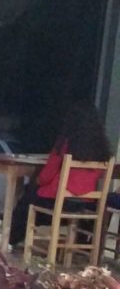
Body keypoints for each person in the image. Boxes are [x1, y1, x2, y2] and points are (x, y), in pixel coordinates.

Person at [7, 103, 111, 247]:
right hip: (86, 203)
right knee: (34, 195)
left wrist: (35, 182)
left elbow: (46, 176)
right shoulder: (102, 149)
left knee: (28, 198)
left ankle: (10, 239)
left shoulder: (66, 145)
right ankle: (82, 245)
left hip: (58, 201)